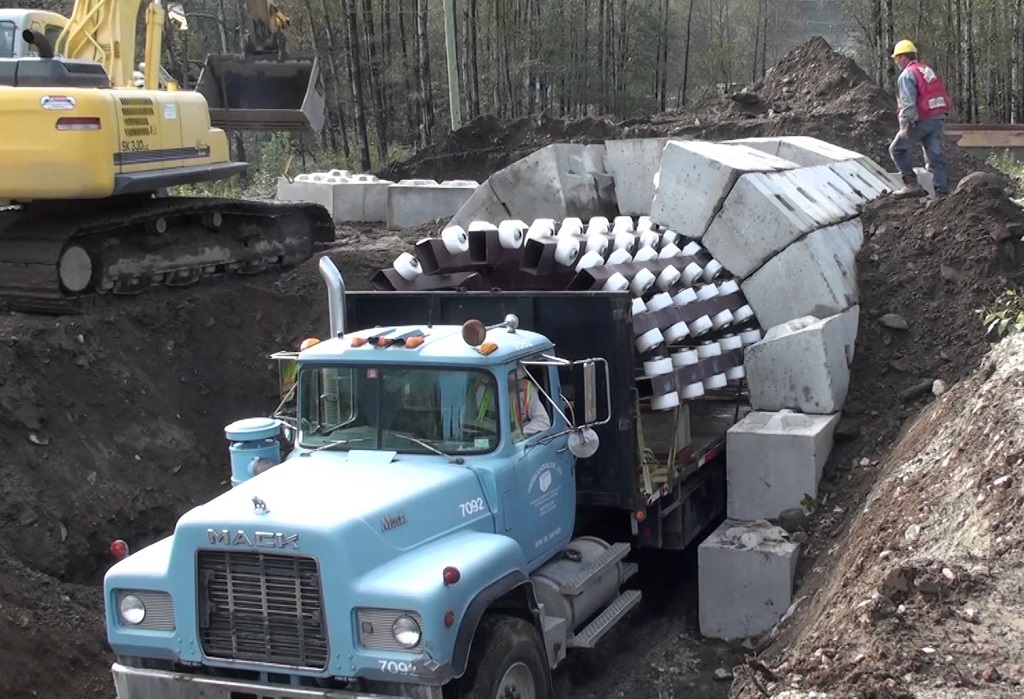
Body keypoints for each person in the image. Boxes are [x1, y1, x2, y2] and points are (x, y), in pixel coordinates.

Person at [888, 39, 952, 198]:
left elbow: (909, 104)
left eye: (896, 58)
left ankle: (911, 185)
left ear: (903, 57)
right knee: (933, 157)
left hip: (922, 119)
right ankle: (942, 194)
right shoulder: (925, 69)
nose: (896, 62)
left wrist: (906, 125)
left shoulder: (907, 75)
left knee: (896, 150)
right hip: (937, 118)